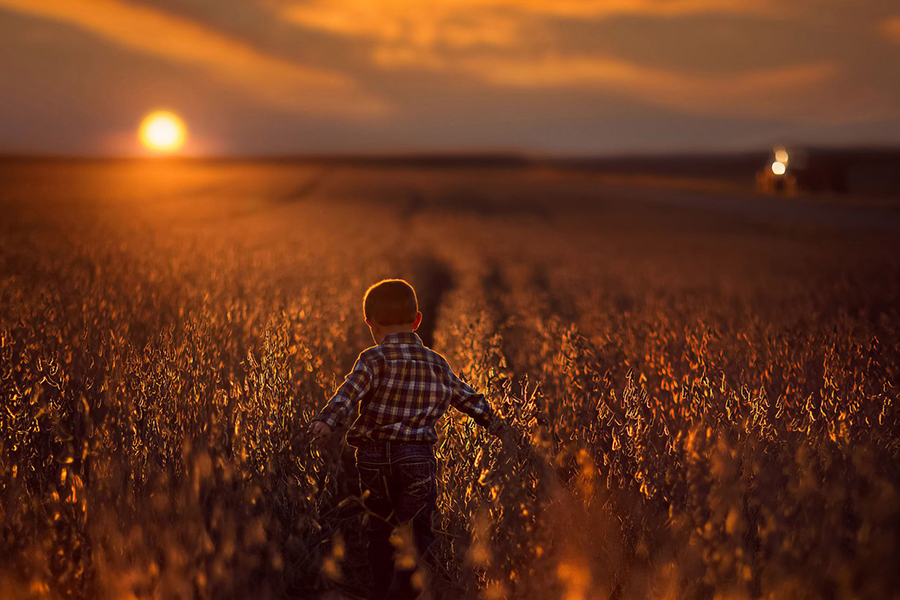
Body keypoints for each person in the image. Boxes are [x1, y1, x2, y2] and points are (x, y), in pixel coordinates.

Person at [309, 279, 507, 600]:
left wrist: (326, 422)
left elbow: (347, 395)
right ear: (417, 320)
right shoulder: (436, 363)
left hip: (373, 458)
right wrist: (499, 427)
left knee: (379, 527)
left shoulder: (372, 359)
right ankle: (407, 588)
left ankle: (379, 588)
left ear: (370, 323)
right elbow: (469, 399)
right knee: (416, 530)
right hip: (417, 458)